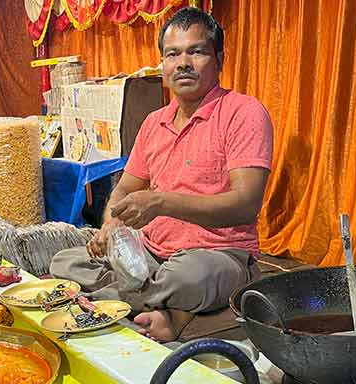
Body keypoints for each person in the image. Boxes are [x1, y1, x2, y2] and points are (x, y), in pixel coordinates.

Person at [51, 7, 274, 342]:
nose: (183, 63)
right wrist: (111, 225)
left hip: (217, 254)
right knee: (65, 261)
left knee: (190, 276)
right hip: (150, 252)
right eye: (172, 54)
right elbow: (125, 187)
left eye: (196, 51)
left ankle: (134, 305)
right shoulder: (155, 122)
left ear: (219, 59)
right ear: (163, 65)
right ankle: (168, 311)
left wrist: (162, 203)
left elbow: (246, 204)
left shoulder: (243, 113)